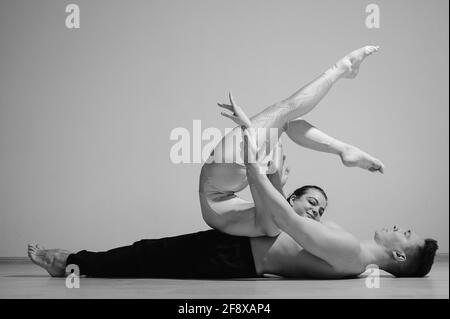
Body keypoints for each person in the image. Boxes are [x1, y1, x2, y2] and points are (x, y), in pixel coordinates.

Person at [27, 128, 438, 279]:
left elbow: (281, 218)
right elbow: (282, 217)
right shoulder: (351, 255)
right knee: (148, 254)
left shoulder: (350, 252)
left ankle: (69, 261)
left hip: (236, 259)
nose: (400, 226)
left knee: (147, 256)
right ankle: (73, 261)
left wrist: (254, 160)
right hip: (240, 253)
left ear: (399, 253)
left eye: (406, 233)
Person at [199, 45, 385, 237]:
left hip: (220, 182)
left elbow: (254, 175)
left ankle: (341, 68)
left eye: (318, 209)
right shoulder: (281, 214)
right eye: (316, 206)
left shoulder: (277, 224)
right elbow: (258, 180)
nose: (316, 212)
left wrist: (248, 130)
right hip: (230, 183)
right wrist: (275, 181)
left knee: (283, 110)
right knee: (288, 120)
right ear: (292, 199)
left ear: (293, 200)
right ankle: (344, 149)